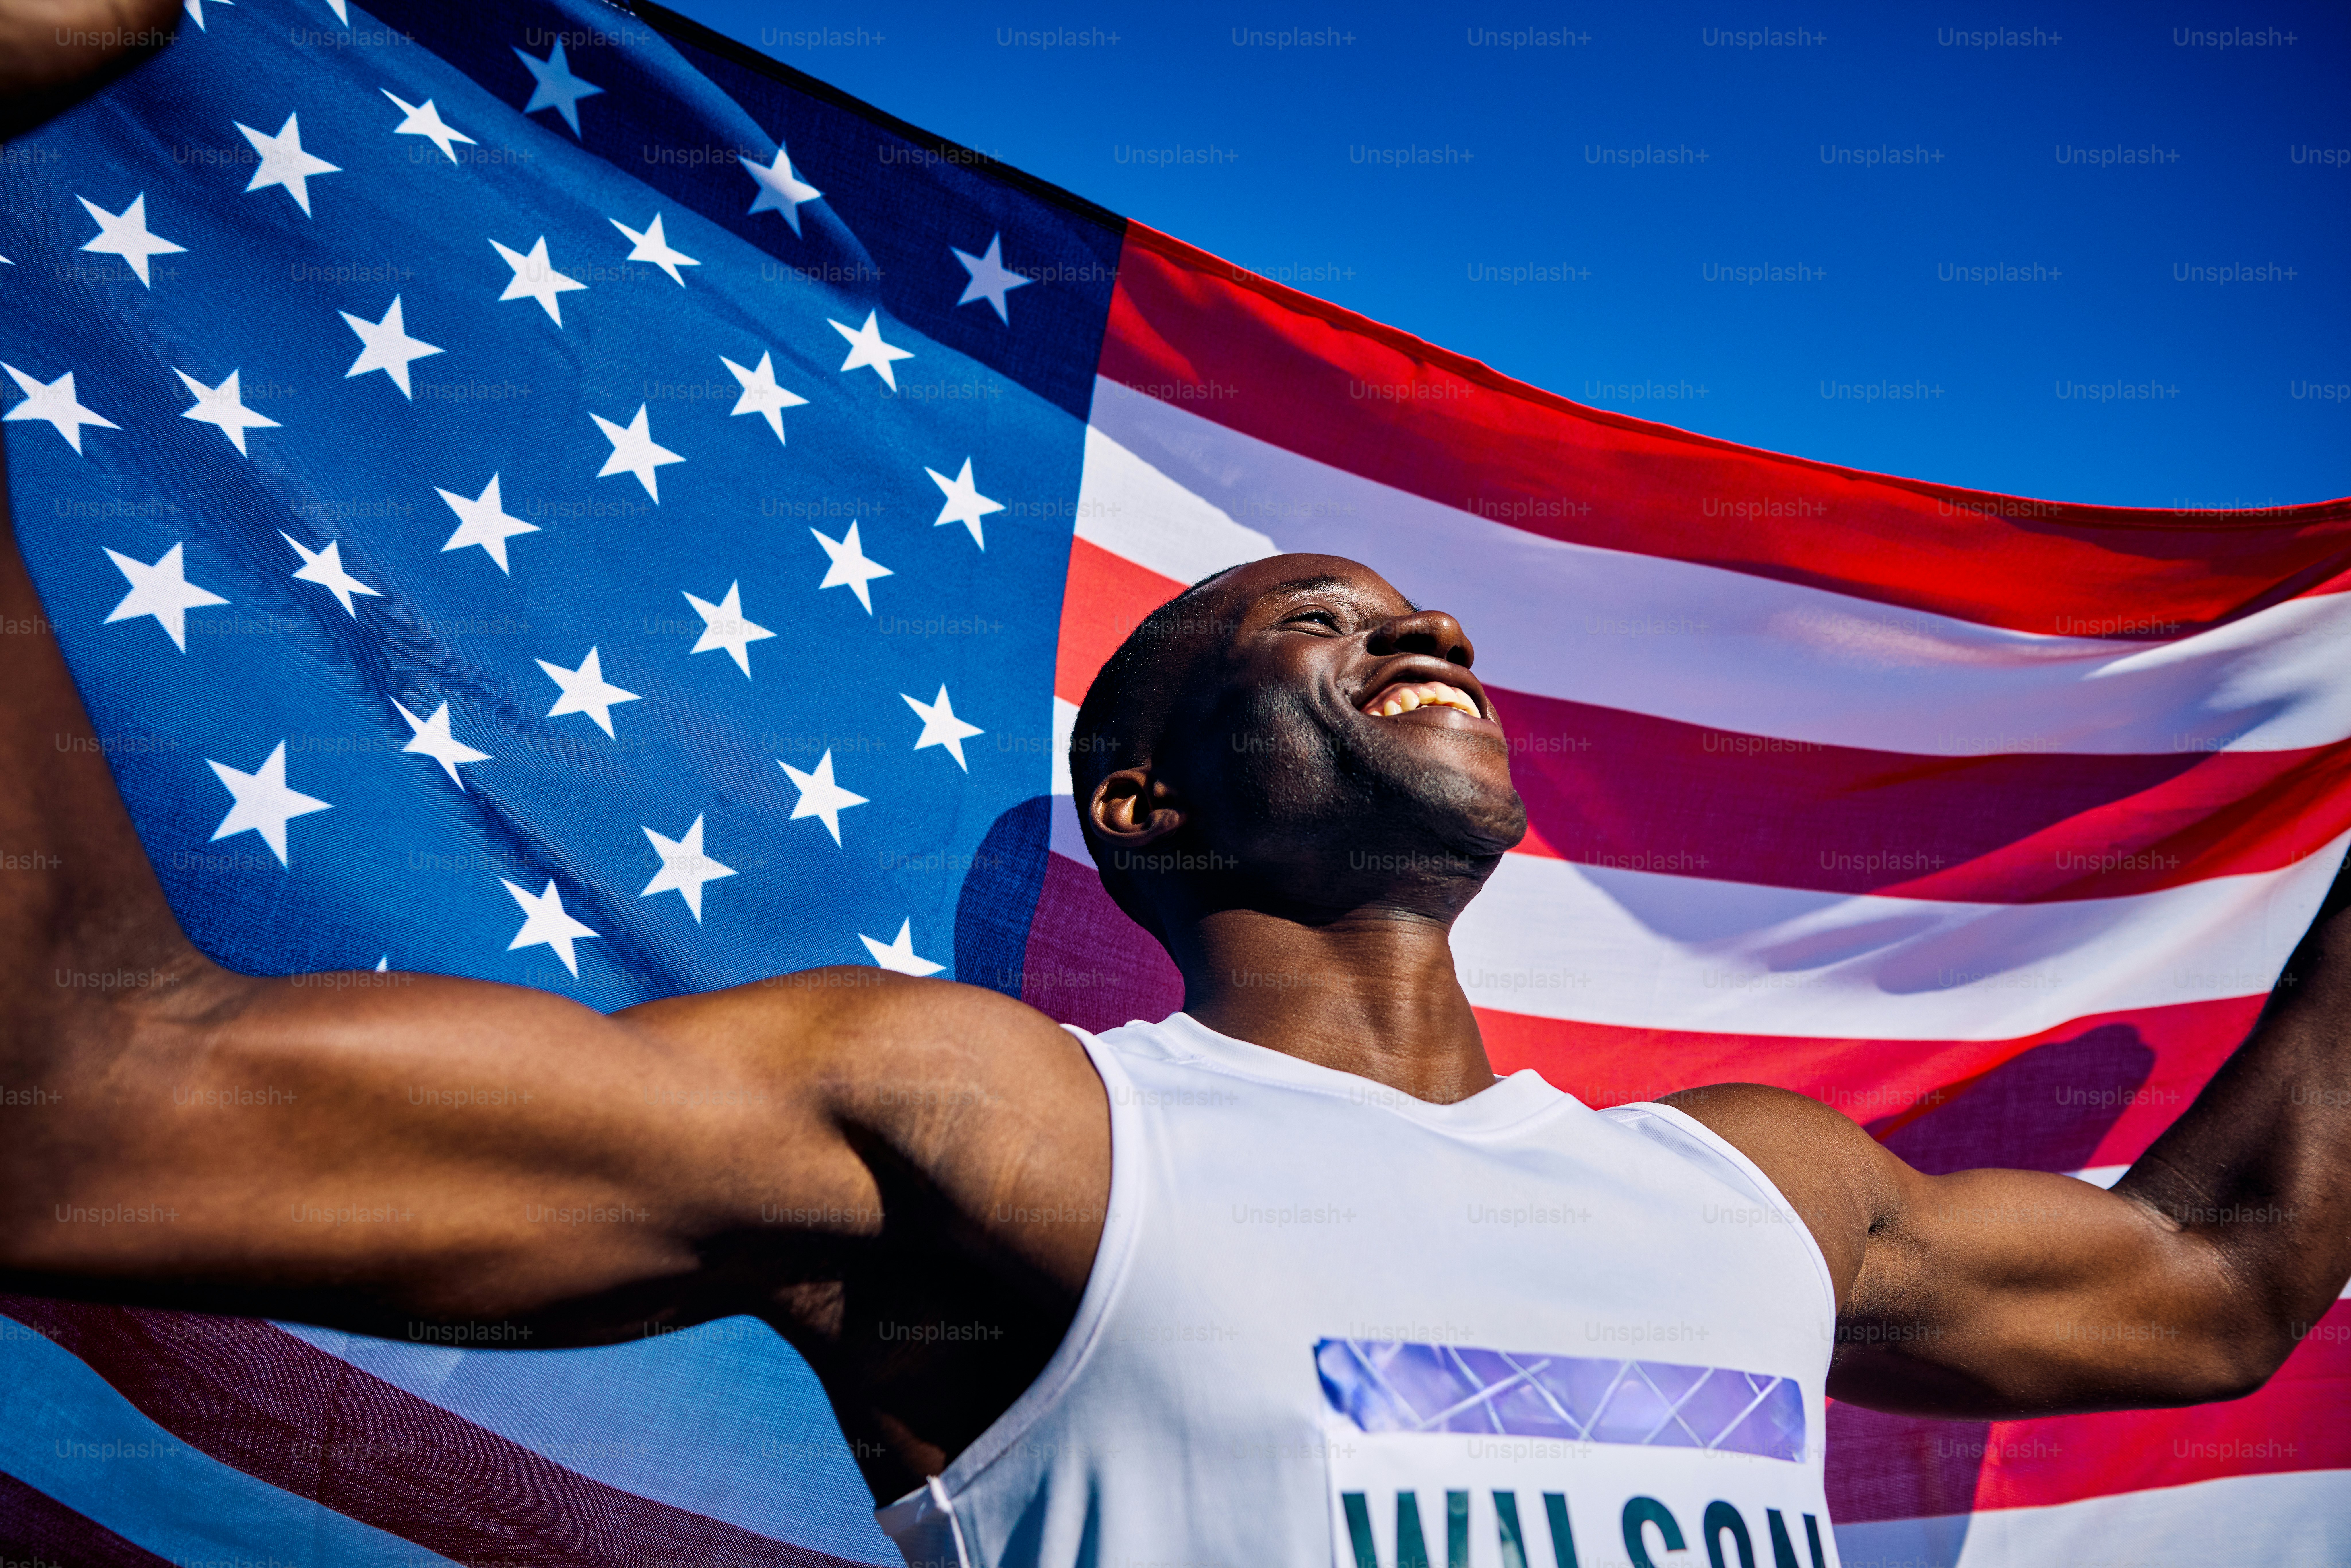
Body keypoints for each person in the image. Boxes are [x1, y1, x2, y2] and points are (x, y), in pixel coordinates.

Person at [7, 476, 2351, 1563]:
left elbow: (2222, 1275)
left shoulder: (1746, 1185)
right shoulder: (987, 1117)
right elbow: (87, 1111)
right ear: (1142, 794)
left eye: (1435, 611)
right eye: (1322, 621)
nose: (1421, 627)